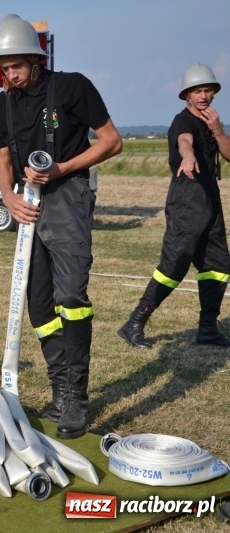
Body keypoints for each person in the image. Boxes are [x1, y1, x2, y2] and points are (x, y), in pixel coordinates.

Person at [0, 14, 122, 439]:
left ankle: (77, 397)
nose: (10, 74)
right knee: (40, 307)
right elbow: (5, 161)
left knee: (70, 295)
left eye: (16, 66)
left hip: (67, 196)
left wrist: (61, 167)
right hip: (27, 203)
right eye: (3, 68)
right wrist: (8, 199)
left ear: (35, 58)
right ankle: (60, 387)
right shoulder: (1, 103)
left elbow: (111, 141)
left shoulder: (71, 86)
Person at [118, 63, 230, 349]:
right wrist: (188, 156)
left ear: (214, 93)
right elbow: (184, 141)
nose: (203, 95)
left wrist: (218, 130)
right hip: (187, 196)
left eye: (208, 90)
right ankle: (134, 323)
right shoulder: (183, 122)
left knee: (217, 265)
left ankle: (207, 329)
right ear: (187, 95)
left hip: (210, 196)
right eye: (197, 91)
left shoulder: (212, 121)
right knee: (175, 262)